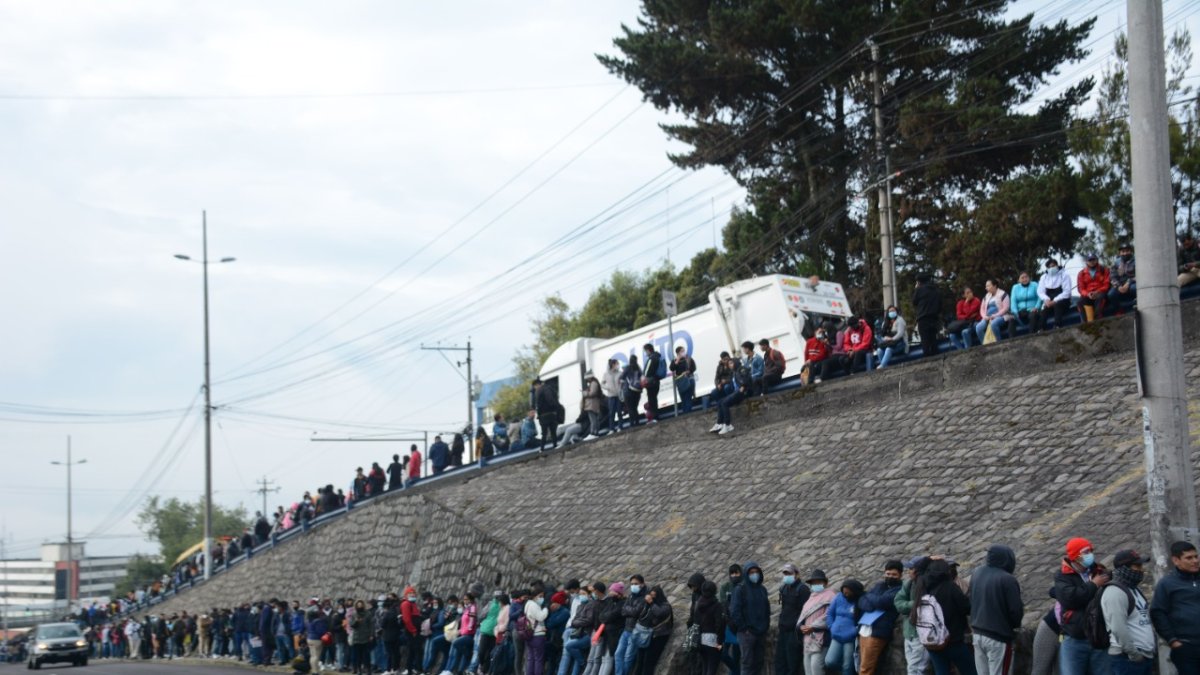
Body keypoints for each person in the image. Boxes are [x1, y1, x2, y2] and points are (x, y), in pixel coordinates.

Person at [1054, 537, 1112, 675]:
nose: (1090, 555)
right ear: (1075, 556)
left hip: (1099, 637)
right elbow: (1070, 599)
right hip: (1075, 638)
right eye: (1085, 552)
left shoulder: (1099, 571)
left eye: (1091, 551)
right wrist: (1093, 585)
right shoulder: (1062, 576)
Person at [913, 559, 975, 675]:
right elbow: (966, 608)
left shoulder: (924, 588)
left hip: (932, 641)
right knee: (970, 671)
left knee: (941, 671)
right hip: (953, 639)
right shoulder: (950, 587)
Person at [969, 545, 1023, 675]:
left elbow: (971, 599)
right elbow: (1015, 611)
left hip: (977, 634)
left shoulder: (977, 573)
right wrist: (1014, 626)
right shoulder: (1008, 579)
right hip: (998, 637)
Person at [1150, 540, 1200, 675]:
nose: (1195, 561)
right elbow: (1158, 613)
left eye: (1196, 556)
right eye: (1189, 558)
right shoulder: (1167, 584)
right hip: (1186, 647)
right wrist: (1172, 641)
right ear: (1176, 560)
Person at [1102, 549, 1154, 675]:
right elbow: (1118, 628)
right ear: (1124, 568)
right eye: (1137, 566)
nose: (1141, 570)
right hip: (1127, 659)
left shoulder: (1134, 590)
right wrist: (1134, 654)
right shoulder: (1115, 592)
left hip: (1143, 656)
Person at [858, 561, 904, 675]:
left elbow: (882, 602)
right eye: (888, 574)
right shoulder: (879, 585)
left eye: (894, 575)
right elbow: (861, 601)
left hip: (878, 631)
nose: (890, 577)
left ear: (900, 575)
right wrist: (872, 604)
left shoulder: (899, 589)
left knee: (866, 668)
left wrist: (869, 596)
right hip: (865, 628)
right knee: (862, 664)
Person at [730, 561, 770, 675]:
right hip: (747, 634)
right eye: (751, 572)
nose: (754, 574)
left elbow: (767, 609)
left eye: (756, 572)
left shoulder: (762, 589)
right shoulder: (740, 589)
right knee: (747, 663)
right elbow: (735, 611)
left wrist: (765, 626)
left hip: (761, 632)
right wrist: (744, 628)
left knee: (759, 662)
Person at [894, 556, 930, 675]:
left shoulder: (928, 585)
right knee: (912, 667)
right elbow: (898, 602)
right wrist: (913, 604)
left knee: (915, 669)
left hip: (921, 634)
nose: (908, 571)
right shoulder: (909, 583)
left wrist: (912, 605)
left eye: (911, 569)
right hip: (909, 632)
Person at [775, 564, 810, 675]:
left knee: (793, 663)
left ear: (796, 574)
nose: (787, 576)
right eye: (785, 573)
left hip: (794, 632)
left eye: (789, 573)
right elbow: (783, 607)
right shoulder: (784, 588)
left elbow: (805, 612)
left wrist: (797, 626)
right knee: (780, 661)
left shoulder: (803, 589)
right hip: (783, 630)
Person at [799, 570, 836, 675]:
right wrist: (801, 626)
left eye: (819, 582)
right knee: (808, 669)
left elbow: (829, 615)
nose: (816, 584)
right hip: (808, 639)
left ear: (825, 583)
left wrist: (813, 626)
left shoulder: (831, 596)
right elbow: (803, 615)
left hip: (821, 638)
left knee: (816, 668)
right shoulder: (811, 597)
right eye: (814, 583)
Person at [710, 346, 752, 435]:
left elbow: (746, 380)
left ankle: (728, 424)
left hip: (741, 393)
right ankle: (719, 423)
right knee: (720, 402)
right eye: (729, 364)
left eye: (731, 363)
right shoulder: (734, 372)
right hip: (736, 392)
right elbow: (718, 378)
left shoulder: (741, 369)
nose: (730, 365)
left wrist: (742, 387)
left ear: (735, 363)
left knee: (724, 403)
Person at [824, 580, 862, 675]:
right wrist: (831, 627)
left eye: (848, 593)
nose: (845, 594)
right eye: (844, 592)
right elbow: (829, 614)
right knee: (829, 661)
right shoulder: (838, 597)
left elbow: (863, 620)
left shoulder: (860, 601)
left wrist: (854, 631)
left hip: (850, 638)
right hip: (836, 635)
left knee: (847, 666)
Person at [635, 586, 672, 675]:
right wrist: (646, 604)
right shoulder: (648, 605)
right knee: (640, 659)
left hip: (659, 636)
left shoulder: (665, 606)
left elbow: (659, 613)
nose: (652, 598)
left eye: (654, 596)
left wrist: (651, 603)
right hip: (646, 634)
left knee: (649, 661)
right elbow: (640, 614)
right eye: (650, 595)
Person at [614, 576, 646, 675]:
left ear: (642, 584)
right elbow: (623, 611)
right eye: (632, 584)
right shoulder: (631, 596)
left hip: (635, 632)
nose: (633, 586)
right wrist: (629, 610)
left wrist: (628, 609)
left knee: (628, 657)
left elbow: (636, 612)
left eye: (636, 584)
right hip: (626, 629)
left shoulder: (644, 597)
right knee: (618, 654)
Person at [694, 581, 725, 675]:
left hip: (700, 638)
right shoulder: (717, 605)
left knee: (705, 666)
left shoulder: (698, 604)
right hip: (712, 638)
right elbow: (719, 625)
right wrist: (719, 642)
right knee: (712, 667)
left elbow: (696, 622)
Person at [1037, 259, 1073, 331]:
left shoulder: (1064, 275)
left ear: (1057, 265)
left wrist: (1055, 300)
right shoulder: (1043, 277)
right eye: (1049, 267)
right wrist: (1046, 300)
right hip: (1049, 301)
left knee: (1057, 305)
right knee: (1044, 309)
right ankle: (1041, 329)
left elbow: (1067, 292)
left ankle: (1057, 326)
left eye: (1053, 266)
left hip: (1063, 300)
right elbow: (1040, 291)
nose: (1051, 268)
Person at [912, 274, 942, 357]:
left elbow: (914, 302)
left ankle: (927, 358)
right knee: (933, 339)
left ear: (919, 282)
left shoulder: (919, 290)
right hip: (934, 317)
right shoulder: (935, 290)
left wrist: (916, 289)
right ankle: (936, 356)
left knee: (925, 340)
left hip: (923, 318)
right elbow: (940, 304)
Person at [1077, 254, 1111, 322]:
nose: (1092, 262)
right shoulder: (1081, 273)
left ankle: (1098, 319)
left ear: (1097, 260)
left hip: (1100, 293)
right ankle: (1085, 323)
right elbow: (1081, 288)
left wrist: (1097, 292)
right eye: (1090, 260)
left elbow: (1106, 284)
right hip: (1088, 294)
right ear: (1086, 262)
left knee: (1100, 298)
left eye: (1093, 260)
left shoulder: (1104, 270)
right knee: (1080, 302)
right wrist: (1088, 294)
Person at [975, 279, 1010, 344]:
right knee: (978, 327)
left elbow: (1006, 308)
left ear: (994, 286)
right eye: (986, 286)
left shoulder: (1003, 294)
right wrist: (984, 316)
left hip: (1001, 316)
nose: (986, 288)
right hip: (988, 317)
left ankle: (998, 342)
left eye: (988, 286)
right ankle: (985, 344)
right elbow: (982, 309)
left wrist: (995, 315)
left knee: (993, 324)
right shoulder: (986, 296)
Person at [1007, 272, 1040, 337]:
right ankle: (1012, 340)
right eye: (1022, 278)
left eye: (1026, 277)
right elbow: (1013, 301)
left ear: (1029, 278)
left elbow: (1040, 297)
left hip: (1033, 310)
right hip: (1020, 311)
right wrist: (1015, 312)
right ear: (1019, 280)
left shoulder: (1035, 285)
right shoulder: (1015, 287)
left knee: (1032, 316)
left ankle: (1031, 336)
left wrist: (1036, 307)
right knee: (1011, 319)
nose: (1025, 279)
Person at [1107, 244, 1136, 313]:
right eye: (1123, 251)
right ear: (1120, 253)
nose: (1125, 253)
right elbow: (1112, 276)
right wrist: (1118, 286)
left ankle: (1137, 305)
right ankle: (1119, 311)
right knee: (1111, 294)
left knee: (1134, 288)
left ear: (1131, 251)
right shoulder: (1116, 262)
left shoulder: (1136, 260)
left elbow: (1139, 274)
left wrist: (1128, 283)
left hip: (1132, 283)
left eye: (1127, 251)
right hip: (1120, 284)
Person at [535, 379, 561, 451]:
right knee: (553, 432)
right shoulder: (550, 388)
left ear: (537, 384)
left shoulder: (539, 391)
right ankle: (555, 445)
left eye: (535, 386)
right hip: (552, 413)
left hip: (543, 415)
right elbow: (554, 400)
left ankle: (542, 449)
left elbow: (539, 405)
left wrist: (539, 415)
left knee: (544, 433)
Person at [671, 346, 698, 413]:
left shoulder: (688, 359)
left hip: (689, 379)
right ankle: (685, 413)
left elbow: (693, 367)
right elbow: (672, 368)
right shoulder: (675, 361)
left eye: (684, 351)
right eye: (682, 351)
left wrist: (687, 372)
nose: (683, 352)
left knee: (688, 397)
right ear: (678, 353)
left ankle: (688, 412)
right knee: (683, 398)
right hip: (681, 382)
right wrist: (677, 361)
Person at [641, 344, 663, 422]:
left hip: (651, 383)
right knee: (654, 399)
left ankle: (654, 417)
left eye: (645, 351)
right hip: (656, 381)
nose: (645, 353)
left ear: (648, 350)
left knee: (651, 400)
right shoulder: (658, 356)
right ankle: (656, 416)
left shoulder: (651, 358)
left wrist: (643, 378)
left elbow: (646, 372)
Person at [601, 359, 624, 432]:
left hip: (619, 395)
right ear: (613, 365)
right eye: (617, 364)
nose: (618, 365)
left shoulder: (620, 373)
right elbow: (602, 384)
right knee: (611, 413)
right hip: (611, 396)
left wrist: (621, 385)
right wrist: (607, 387)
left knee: (619, 412)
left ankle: (620, 427)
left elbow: (623, 381)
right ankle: (612, 428)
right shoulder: (606, 374)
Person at [620, 356, 643, 427]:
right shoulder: (638, 368)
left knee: (630, 408)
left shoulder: (627, 368)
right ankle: (637, 422)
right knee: (635, 407)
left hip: (628, 391)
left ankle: (632, 423)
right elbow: (642, 377)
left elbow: (622, 377)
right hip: (637, 391)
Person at [581, 372, 604, 438]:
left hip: (591, 404)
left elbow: (592, 393)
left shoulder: (593, 383)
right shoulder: (595, 383)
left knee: (593, 420)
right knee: (595, 419)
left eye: (587, 378)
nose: (586, 380)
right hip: (594, 404)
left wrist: (585, 393)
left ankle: (593, 433)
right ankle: (595, 432)